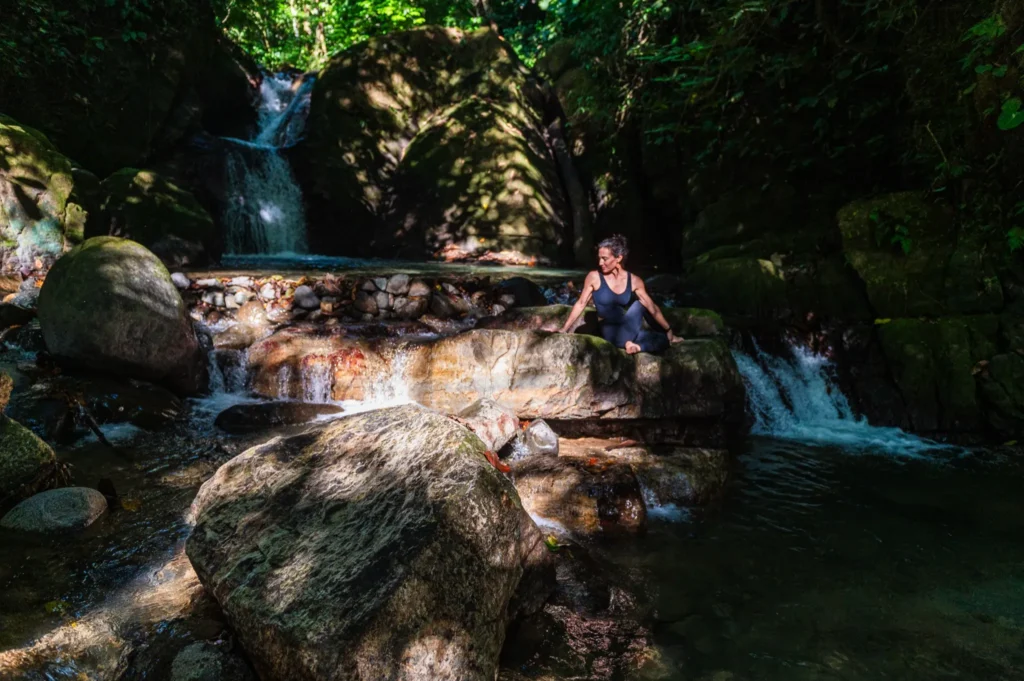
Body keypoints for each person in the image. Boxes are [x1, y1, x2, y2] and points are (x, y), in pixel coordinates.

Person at [558, 234, 683, 354]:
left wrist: (667, 329)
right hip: (611, 332)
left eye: (605, 259)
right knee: (644, 310)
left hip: (627, 327)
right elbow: (581, 303)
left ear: (618, 258)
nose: (600, 263)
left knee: (661, 336)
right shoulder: (594, 277)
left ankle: (636, 346)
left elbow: (653, 308)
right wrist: (565, 329)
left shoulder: (634, 280)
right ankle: (632, 343)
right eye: (599, 258)